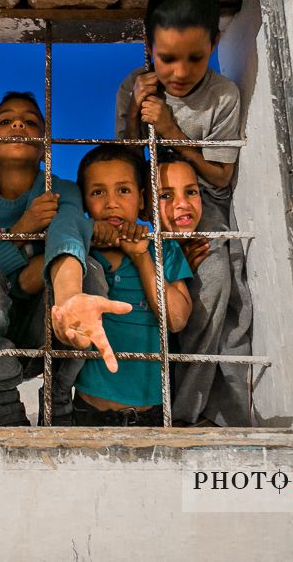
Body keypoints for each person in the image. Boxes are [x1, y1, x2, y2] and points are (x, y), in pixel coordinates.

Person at [116, 0, 254, 426]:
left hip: (200, 208)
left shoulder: (222, 97)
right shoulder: (134, 86)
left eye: (196, 57)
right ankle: (140, 396)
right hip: (149, 209)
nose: (179, 72)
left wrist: (175, 134)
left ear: (215, 43)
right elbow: (126, 164)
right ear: (147, 45)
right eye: (167, 58)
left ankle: (186, 411)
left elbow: (221, 175)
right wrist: (138, 115)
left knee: (214, 281)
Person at [0, 93, 129, 426]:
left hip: (45, 332)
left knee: (91, 271)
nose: (19, 124)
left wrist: (70, 296)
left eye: (31, 122)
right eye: (5, 121)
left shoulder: (60, 188)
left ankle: (58, 395)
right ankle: (1, 403)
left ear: (46, 148)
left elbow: (67, 234)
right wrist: (21, 232)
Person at [71, 145, 193, 426]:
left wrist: (141, 257)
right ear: (84, 202)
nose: (111, 202)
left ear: (141, 200)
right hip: (85, 410)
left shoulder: (162, 247)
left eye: (123, 190)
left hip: (152, 413)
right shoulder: (80, 251)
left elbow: (175, 320)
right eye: (98, 192)